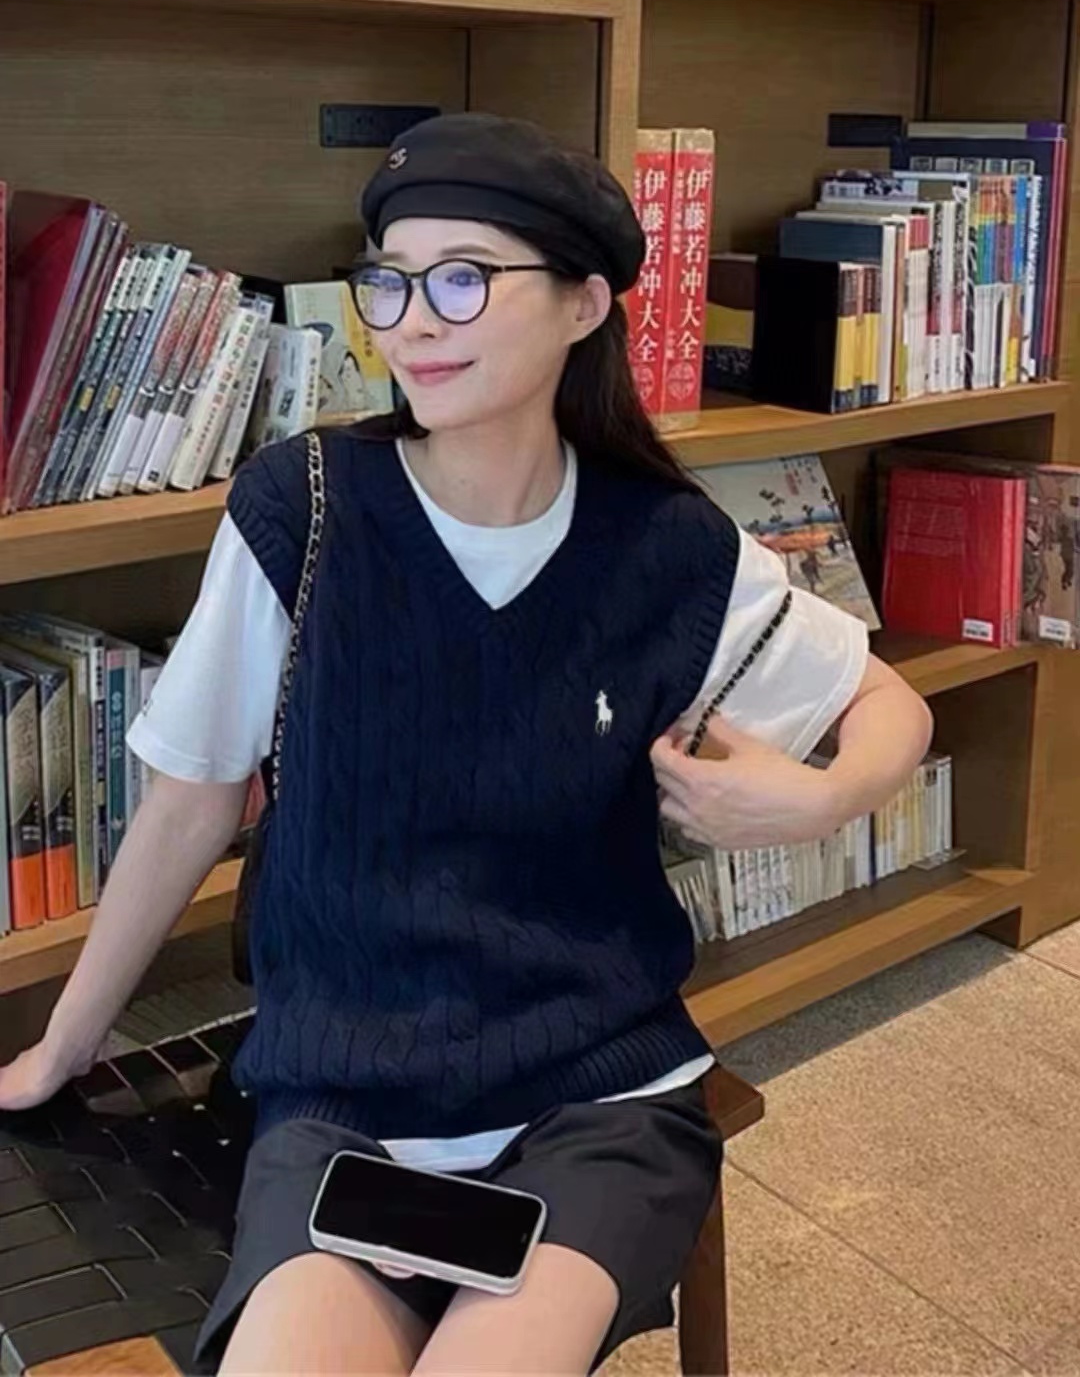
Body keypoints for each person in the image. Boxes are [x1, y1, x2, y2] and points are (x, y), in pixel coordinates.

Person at [0, 112, 932, 1376]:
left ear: (584, 303)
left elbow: (890, 707)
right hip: (344, 1101)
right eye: (389, 281)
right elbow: (189, 802)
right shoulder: (307, 508)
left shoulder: (663, 546)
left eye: (464, 278)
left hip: (595, 1096)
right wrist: (62, 1048)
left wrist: (817, 803)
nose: (411, 323)